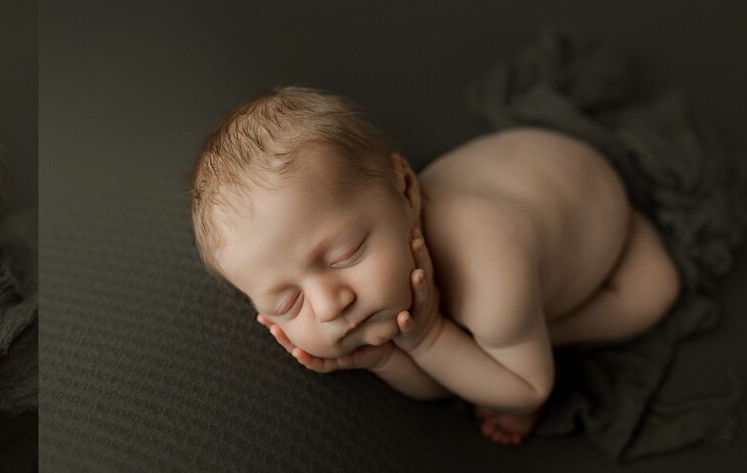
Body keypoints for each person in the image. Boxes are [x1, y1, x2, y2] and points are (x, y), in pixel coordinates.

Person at [188, 86, 681, 445]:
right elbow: (440, 382)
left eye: (344, 255)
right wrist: (384, 358)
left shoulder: (490, 275)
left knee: (656, 289)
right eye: (287, 302)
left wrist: (427, 339)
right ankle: (506, 344)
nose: (329, 305)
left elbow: (531, 391)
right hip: (522, 174)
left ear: (406, 190)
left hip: (596, 208)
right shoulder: (379, 269)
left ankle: (544, 334)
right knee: (468, 355)